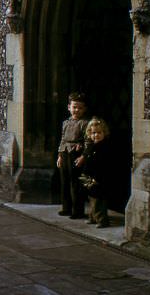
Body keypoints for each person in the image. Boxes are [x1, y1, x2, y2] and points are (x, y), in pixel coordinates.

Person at [56, 91, 89, 219]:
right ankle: (66, 208)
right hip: (65, 153)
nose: (76, 110)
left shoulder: (84, 123)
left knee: (76, 183)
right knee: (65, 182)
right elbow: (63, 139)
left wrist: (83, 156)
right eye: (74, 107)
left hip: (76, 154)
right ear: (69, 107)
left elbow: (88, 141)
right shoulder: (66, 123)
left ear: (84, 109)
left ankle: (77, 210)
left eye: (80, 108)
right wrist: (59, 156)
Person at [81, 117, 112, 228]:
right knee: (91, 198)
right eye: (93, 133)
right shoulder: (91, 146)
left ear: (104, 133)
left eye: (99, 133)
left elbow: (103, 165)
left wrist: (96, 178)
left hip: (98, 177)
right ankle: (92, 217)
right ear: (89, 133)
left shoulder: (104, 147)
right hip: (88, 176)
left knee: (99, 200)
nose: (96, 135)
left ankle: (102, 220)